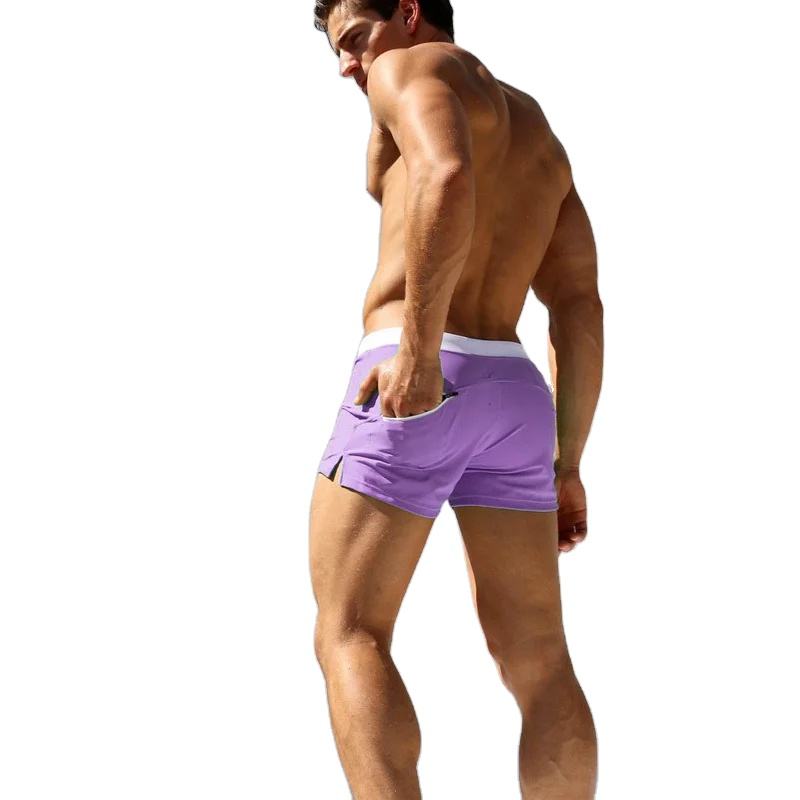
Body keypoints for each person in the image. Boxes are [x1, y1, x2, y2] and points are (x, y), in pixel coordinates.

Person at [308, 1, 603, 797]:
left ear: (409, 12)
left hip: (419, 372)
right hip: (514, 393)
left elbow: (446, 173)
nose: (349, 66)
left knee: (350, 632)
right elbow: (579, 304)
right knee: (539, 658)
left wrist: (419, 352)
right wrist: (567, 462)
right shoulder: (537, 133)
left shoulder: (408, 68)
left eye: (355, 40)